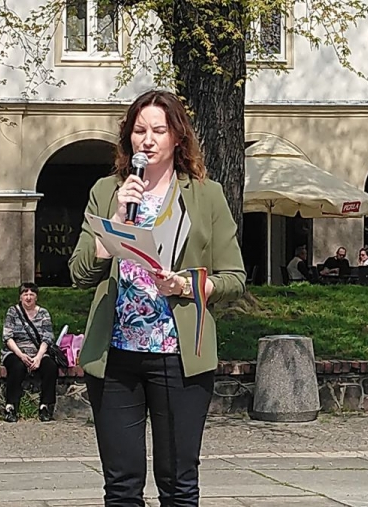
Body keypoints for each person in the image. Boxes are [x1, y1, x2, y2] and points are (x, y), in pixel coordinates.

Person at [68, 89, 246, 507]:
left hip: (178, 357)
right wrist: (113, 224)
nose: (147, 140)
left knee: (178, 484)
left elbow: (234, 278)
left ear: (178, 137)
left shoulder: (205, 195)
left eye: (158, 131)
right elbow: (79, 274)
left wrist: (185, 286)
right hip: (115, 356)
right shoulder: (107, 191)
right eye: (139, 130)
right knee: (121, 487)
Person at [0, 282, 58, 423]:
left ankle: (45, 406)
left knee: (50, 367)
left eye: (32, 294)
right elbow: (7, 337)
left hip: (38, 351)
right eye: (25, 294)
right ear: (20, 297)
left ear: (36, 297)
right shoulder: (13, 312)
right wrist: (21, 355)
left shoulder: (43, 313)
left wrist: (38, 357)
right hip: (15, 351)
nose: (28, 297)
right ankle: (10, 406)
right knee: (17, 367)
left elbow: (47, 338)